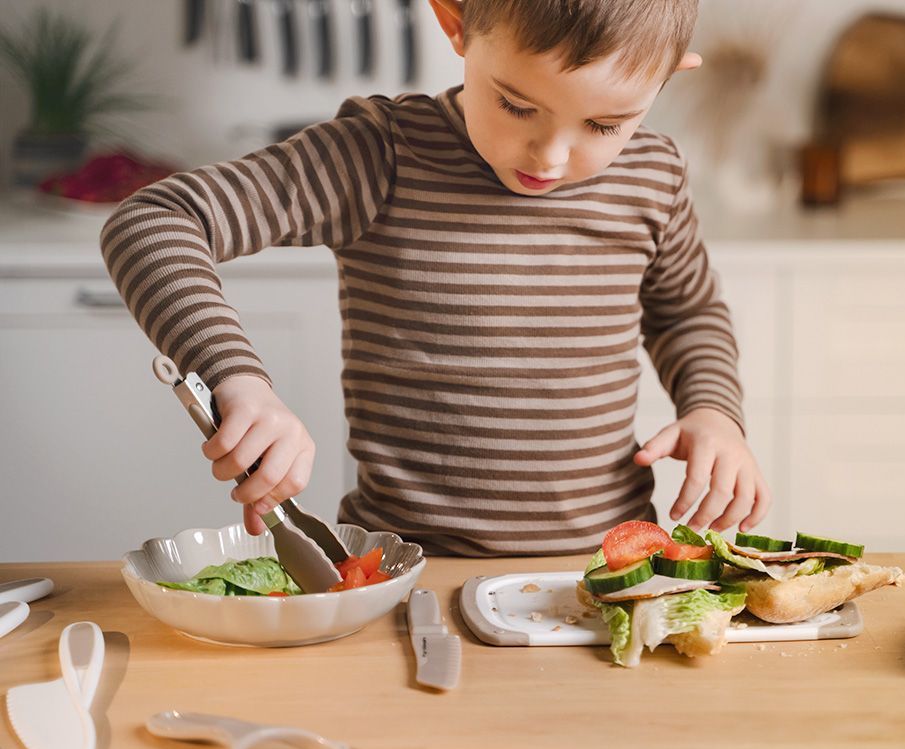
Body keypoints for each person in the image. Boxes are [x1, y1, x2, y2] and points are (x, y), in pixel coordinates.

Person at [100, 0, 770, 557]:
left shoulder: (653, 176)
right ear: (455, 24)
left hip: (601, 566)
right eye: (515, 105)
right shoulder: (379, 155)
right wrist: (236, 379)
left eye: (606, 124)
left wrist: (713, 410)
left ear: (665, 79)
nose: (552, 155)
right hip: (407, 568)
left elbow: (687, 311)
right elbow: (155, 220)